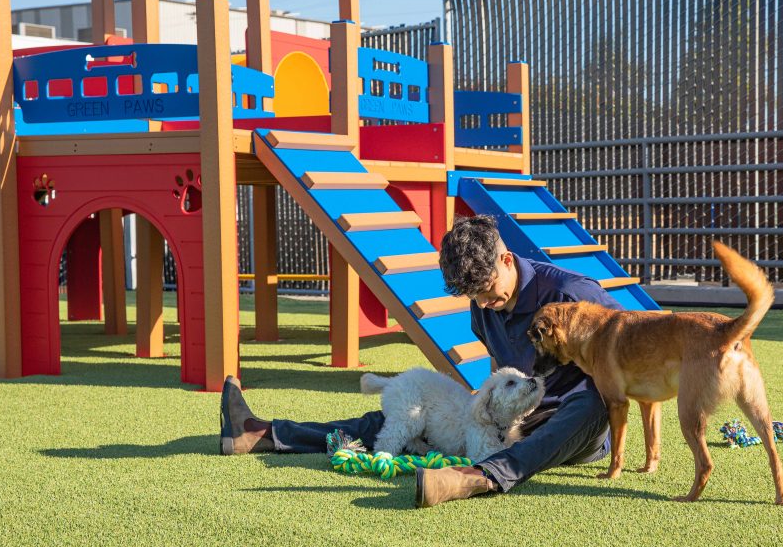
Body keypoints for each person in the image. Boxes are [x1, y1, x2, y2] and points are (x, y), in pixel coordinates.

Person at [219, 215, 624, 507]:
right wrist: (471, 415)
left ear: (506, 260)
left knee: (594, 401)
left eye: (488, 291)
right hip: (512, 419)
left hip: (574, 425)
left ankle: (481, 476)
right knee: (399, 420)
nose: (484, 303)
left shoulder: (571, 293)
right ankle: (262, 433)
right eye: (474, 297)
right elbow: (496, 374)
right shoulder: (483, 307)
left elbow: (621, 351)